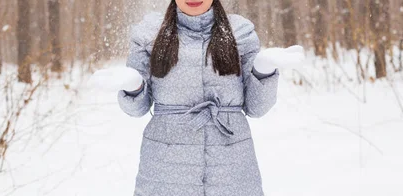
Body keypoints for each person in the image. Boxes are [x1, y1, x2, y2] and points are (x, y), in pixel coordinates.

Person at [116, 0, 301, 195]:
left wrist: (264, 69)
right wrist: (132, 86)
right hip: (165, 169)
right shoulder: (148, 34)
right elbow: (137, 109)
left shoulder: (240, 33)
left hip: (231, 169)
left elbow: (256, 107)